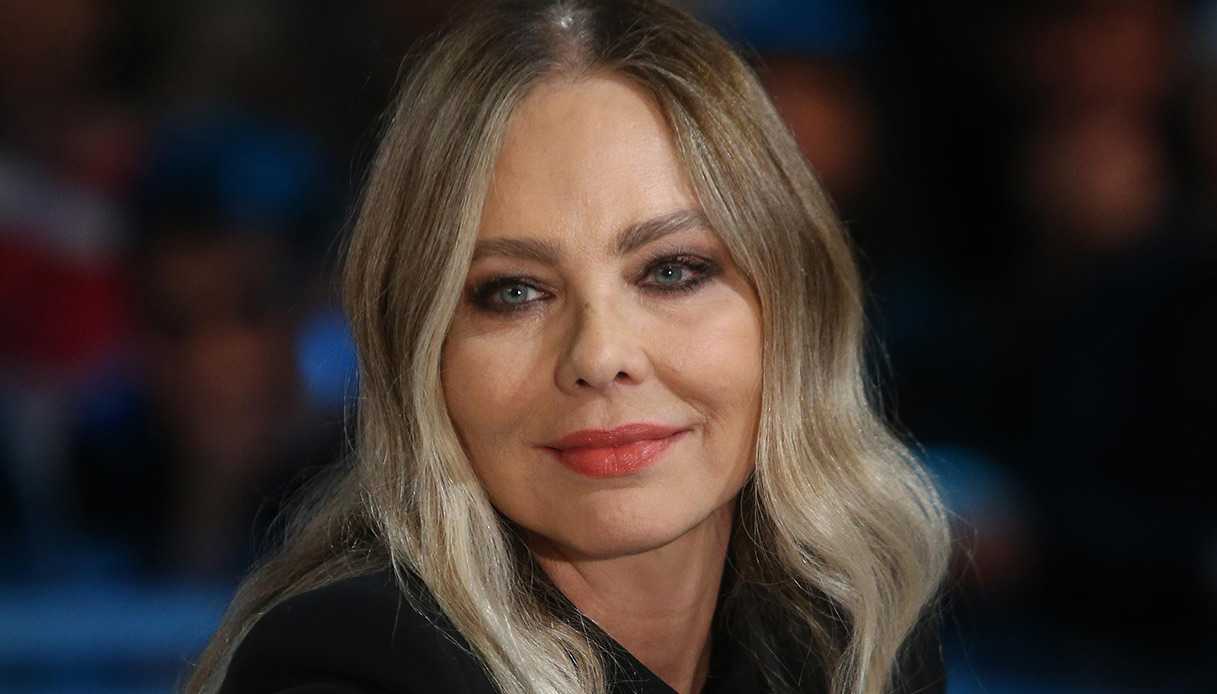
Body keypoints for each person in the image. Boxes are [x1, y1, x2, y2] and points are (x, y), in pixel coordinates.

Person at [187, 1, 952, 693]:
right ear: (416, 348)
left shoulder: (857, 638)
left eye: (671, 271)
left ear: (790, 308)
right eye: (513, 291)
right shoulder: (350, 671)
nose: (599, 355)